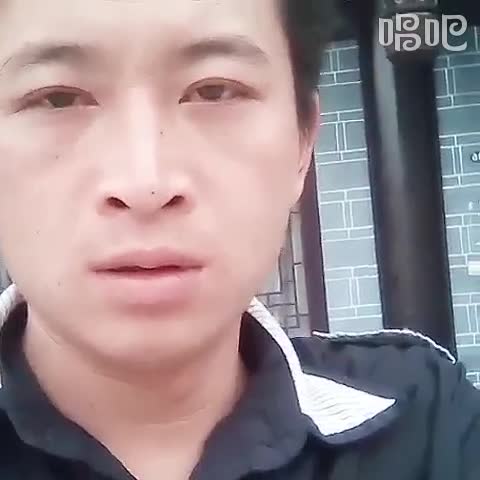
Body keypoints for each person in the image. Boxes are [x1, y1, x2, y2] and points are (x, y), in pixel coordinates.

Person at [0, 0, 478, 479]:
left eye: (214, 91)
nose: (146, 185)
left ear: (303, 145)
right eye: (57, 98)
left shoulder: (427, 422)